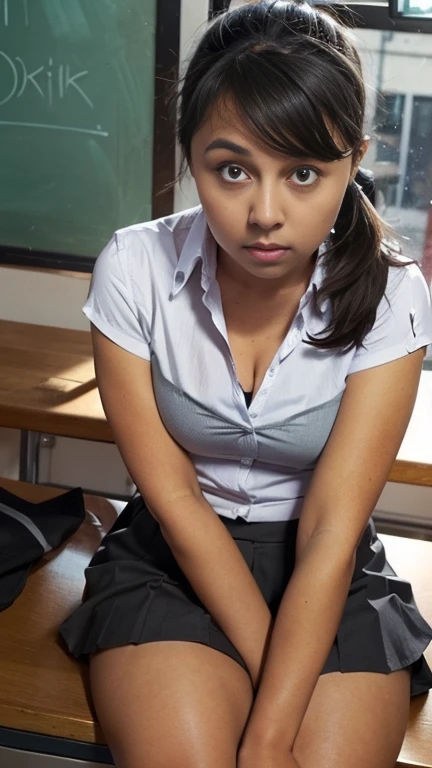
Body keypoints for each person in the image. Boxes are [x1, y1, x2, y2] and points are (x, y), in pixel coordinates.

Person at [59, 2, 432, 766]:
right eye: (232, 170)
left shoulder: (394, 293)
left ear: (353, 158)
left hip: (326, 571)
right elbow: (177, 502)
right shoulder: (133, 268)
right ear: (189, 155)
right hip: (175, 560)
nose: (265, 213)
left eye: (303, 173)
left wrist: (270, 736)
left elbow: (331, 528)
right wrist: (274, 717)